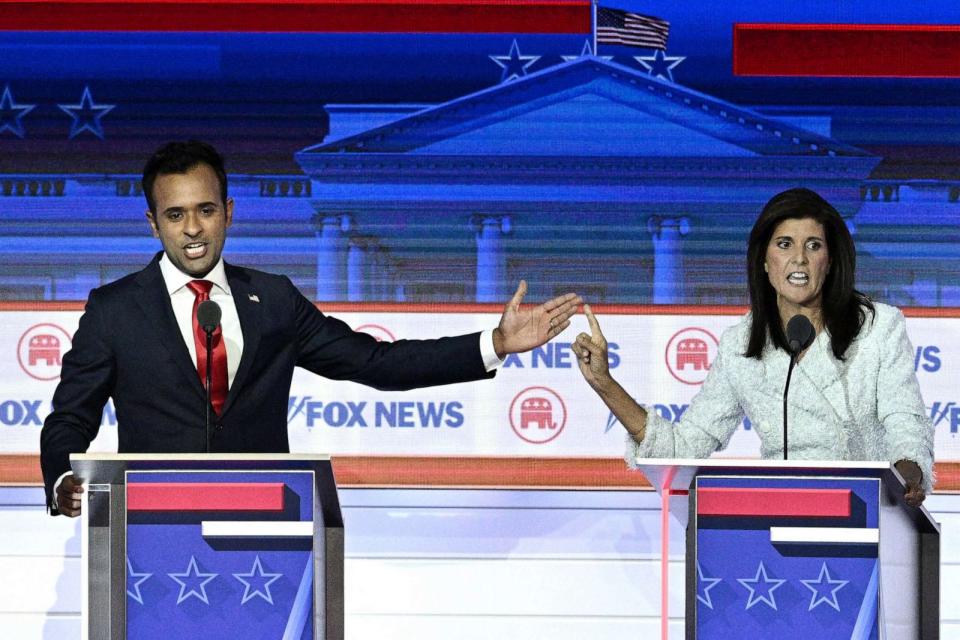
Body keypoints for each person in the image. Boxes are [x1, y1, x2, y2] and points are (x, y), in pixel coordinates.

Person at [41, 140, 582, 517]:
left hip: (263, 522)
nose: (193, 230)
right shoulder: (114, 310)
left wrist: (494, 343)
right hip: (150, 525)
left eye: (205, 210)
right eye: (175, 215)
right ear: (152, 222)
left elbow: (377, 363)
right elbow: (70, 418)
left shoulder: (272, 299)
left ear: (228, 211)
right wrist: (64, 479)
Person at [571, 187, 933, 506]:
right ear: (764, 259)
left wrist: (907, 471)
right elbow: (684, 447)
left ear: (831, 259)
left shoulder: (878, 327)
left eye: (814, 245)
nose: (799, 259)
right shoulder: (741, 346)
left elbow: (904, 419)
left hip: (868, 513)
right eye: (784, 244)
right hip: (776, 519)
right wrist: (605, 383)